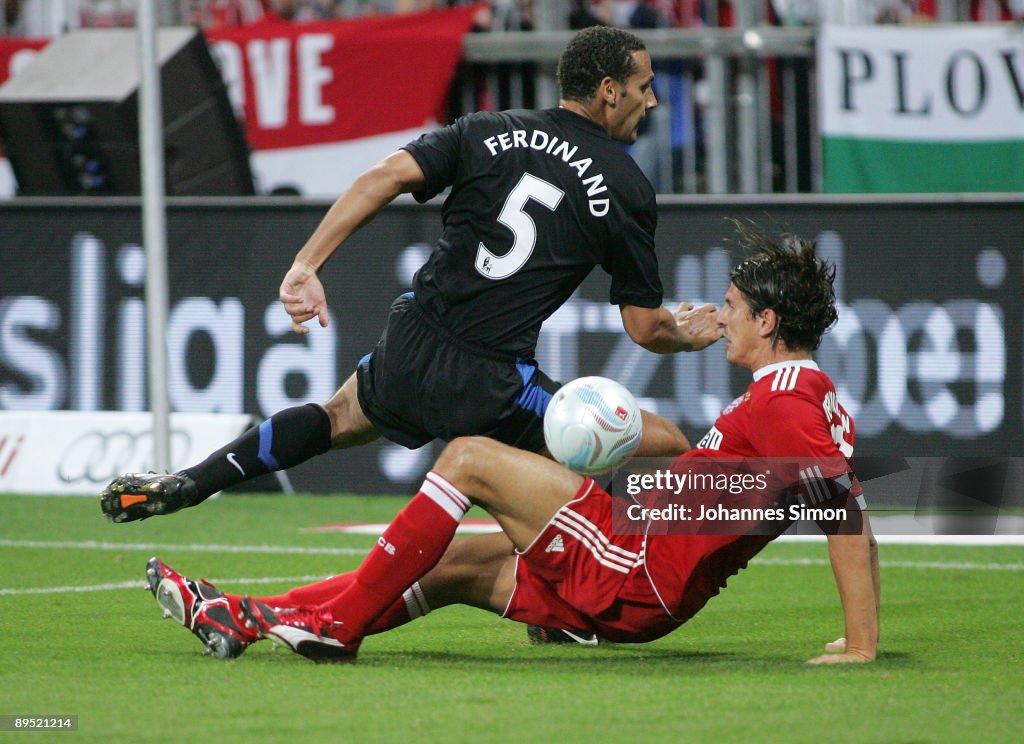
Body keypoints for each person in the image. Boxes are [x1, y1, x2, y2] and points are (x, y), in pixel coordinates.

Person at [145, 224, 880, 665]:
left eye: (732, 309)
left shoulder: (786, 401)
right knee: (456, 560)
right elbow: (819, 501)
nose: (721, 318)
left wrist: (861, 643)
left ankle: (335, 627)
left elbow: (839, 510)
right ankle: (247, 616)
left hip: (634, 569)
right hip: (639, 568)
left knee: (466, 456)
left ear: (769, 322)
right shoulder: (808, 398)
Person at [100, 25, 720, 525]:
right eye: (645, 85)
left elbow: (382, 178)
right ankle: (604, 582)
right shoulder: (626, 186)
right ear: (609, 90)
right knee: (664, 441)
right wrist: (687, 333)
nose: (653, 100)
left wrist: (307, 264)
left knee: (337, 419)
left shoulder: (487, 130)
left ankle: (192, 482)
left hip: (413, 340)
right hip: (494, 380)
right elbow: (643, 328)